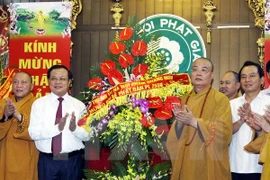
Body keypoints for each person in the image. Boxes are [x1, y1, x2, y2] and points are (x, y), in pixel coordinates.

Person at [166, 57, 232, 180]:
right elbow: (174, 138)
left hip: (209, 162)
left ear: (212, 76)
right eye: (195, 69)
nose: (199, 73)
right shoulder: (183, 99)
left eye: (204, 70)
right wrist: (179, 123)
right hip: (186, 161)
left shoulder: (220, 99)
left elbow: (225, 132)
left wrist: (194, 121)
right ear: (191, 74)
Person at [28, 64, 91, 180]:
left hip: (72, 161)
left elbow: (88, 135)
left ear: (69, 82)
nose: (58, 82)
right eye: (54, 78)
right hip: (47, 162)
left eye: (62, 79)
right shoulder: (39, 104)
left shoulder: (79, 106)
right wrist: (57, 128)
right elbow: (33, 133)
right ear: (48, 81)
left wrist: (74, 129)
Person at [229, 61, 270, 180]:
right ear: (239, 82)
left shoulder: (268, 103)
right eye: (243, 77)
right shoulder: (231, 104)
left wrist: (259, 127)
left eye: (252, 76)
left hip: (260, 167)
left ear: (262, 80)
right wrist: (241, 121)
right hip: (234, 165)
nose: (247, 80)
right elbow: (224, 132)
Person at [0, 71, 38, 180]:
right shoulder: (3, 103)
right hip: (6, 156)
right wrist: (5, 116)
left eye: (23, 82)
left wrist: (19, 116)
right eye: (15, 82)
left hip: (28, 155)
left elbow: (37, 131)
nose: (19, 85)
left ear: (32, 86)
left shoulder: (37, 104)